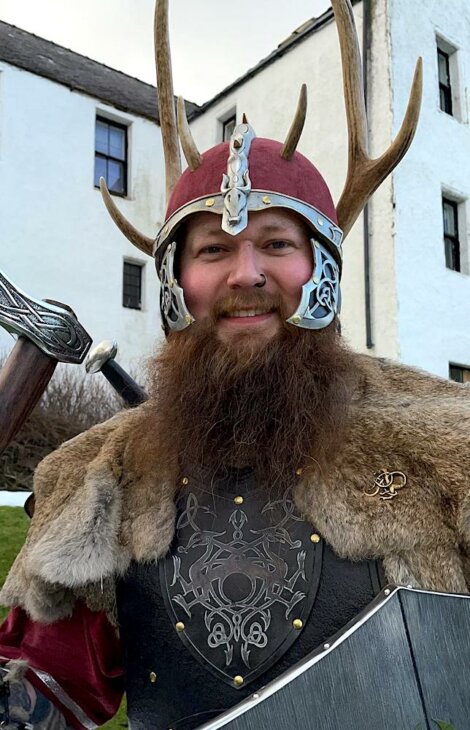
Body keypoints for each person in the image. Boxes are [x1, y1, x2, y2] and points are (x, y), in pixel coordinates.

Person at [0, 0, 469, 728]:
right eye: (213, 250)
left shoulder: (447, 447)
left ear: (324, 271)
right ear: (176, 282)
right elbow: (50, 689)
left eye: (277, 244)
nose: (245, 274)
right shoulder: (99, 477)